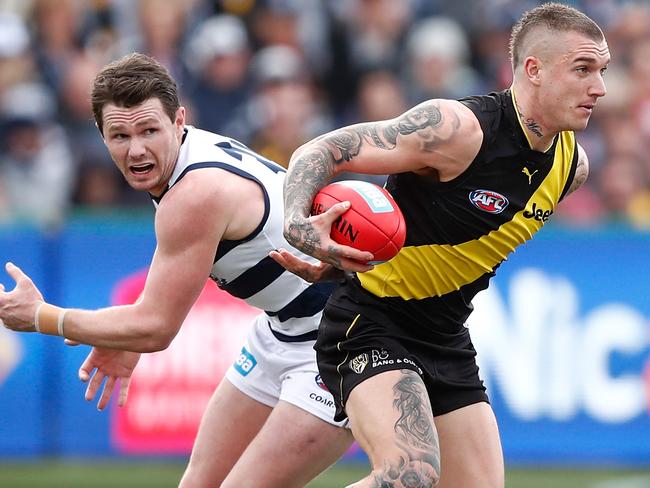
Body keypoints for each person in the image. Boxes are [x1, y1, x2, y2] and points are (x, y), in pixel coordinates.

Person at [270, 3, 609, 487]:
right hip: (371, 323)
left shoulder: (571, 168)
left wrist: (347, 264)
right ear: (533, 69)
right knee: (410, 474)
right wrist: (299, 223)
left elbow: (449, 244)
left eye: (602, 70)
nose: (599, 87)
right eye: (583, 69)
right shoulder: (456, 130)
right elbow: (322, 150)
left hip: (446, 338)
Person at [0, 52, 353, 487]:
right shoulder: (186, 161)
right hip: (285, 331)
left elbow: (157, 328)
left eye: (149, 130)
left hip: (345, 340)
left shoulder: (193, 192)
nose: (137, 149)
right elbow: (174, 273)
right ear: (100, 135)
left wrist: (39, 317)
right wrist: (128, 336)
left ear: (178, 120)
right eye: (120, 135)